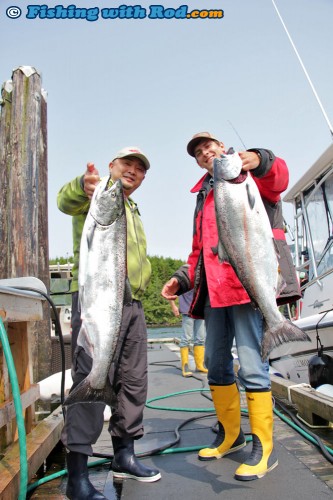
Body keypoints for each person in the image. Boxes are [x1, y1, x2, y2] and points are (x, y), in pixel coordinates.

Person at [161, 132, 301, 482]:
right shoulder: (203, 195)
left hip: (247, 289)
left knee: (253, 366)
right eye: (197, 152)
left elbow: (279, 177)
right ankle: (231, 434)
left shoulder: (250, 179)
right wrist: (181, 279)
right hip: (213, 294)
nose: (204, 152)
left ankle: (263, 446)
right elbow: (199, 249)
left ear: (223, 149)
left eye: (209, 146)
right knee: (215, 364)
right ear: (197, 162)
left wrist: (260, 157)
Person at [57, 147, 161, 500]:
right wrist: (81, 186)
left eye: (139, 169)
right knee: (90, 373)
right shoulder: (96, 193)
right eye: (126, 165)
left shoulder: (131, 207)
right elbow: (64, 200)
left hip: (131, 305)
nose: (133, 171)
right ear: (111, 167)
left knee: (133, 381)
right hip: (95, 300)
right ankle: (77, 475)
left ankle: (125, 455)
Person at [169, 288, 208, 376]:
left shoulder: (201, 275)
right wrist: (173, 306)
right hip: (187, 311)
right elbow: (170, 291)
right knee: (186, 339)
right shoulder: (183, 276)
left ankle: (200, 365)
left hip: (200, 310)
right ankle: (185, 366)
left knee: (201, 339)